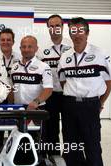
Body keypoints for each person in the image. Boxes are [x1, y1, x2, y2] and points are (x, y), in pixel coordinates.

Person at [58, 17, 111, 166]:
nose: (77, 35)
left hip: (90, 106)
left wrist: (100, 102)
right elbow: (64, 81)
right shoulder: (65, 56)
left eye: (80, 30)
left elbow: (110, 80)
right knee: (71, 145)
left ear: (87, 33)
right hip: (69, 106)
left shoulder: (99, 54)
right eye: (73, 31)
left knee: (92, 146)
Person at [36, 14, 72, 155]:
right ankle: (53, 160)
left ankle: (70, 162)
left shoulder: (72, 46)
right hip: (50, 95)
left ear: (63, 27)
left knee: (70, 130)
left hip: (69, 94)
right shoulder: (42, 49)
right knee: (51, 130)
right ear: (48, 28)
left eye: (58, 25)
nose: (55, 28)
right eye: (51, 26)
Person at [11, 36, 53, 147]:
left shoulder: (43, 67)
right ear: (20, 48)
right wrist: (10, 105)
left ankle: (37, 163)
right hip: (18, 110)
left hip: (36, 110)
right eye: (23, 47)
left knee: (36, 143)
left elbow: (48, 89)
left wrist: (36, 102)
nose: (26, 49)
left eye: (30, 46)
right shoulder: (14, 67)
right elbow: (11, 89)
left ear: (36, 48)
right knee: (18, 142)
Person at [0, 28, 21, 147]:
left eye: (8, 40)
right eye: (3, 40)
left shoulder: (20, 58)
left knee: (13, 129)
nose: (5, 42)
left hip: (15, 97)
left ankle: (12, 154)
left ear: (13, 42)